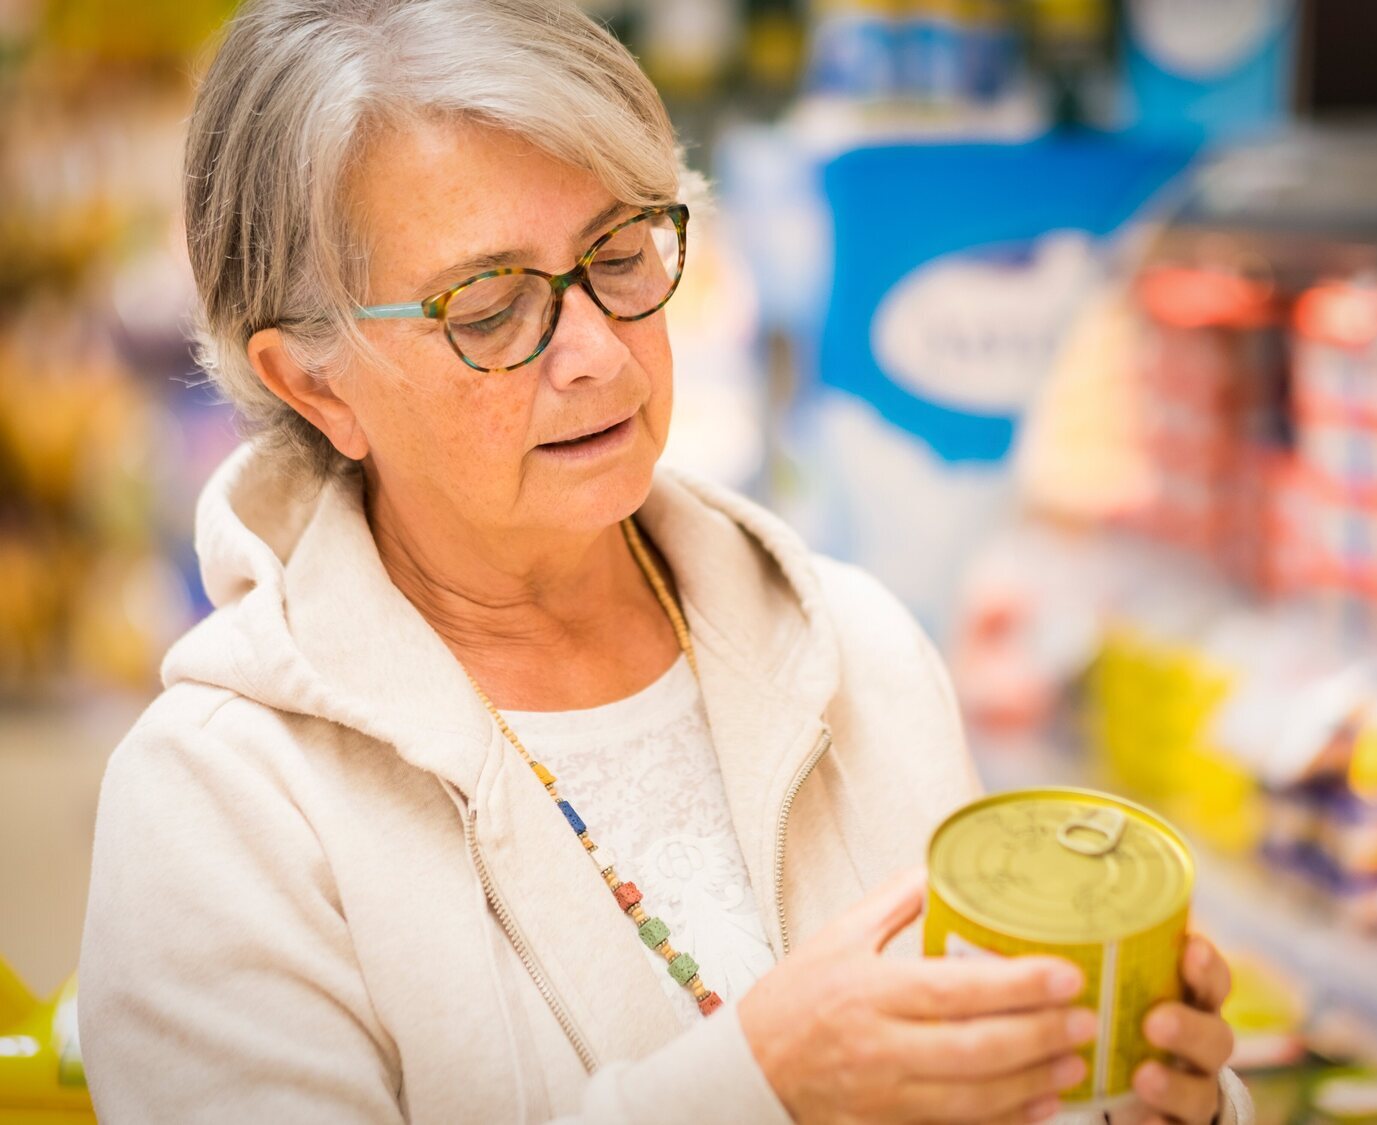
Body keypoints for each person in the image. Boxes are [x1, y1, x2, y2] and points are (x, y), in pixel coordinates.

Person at [78, 2, 1248, 1122]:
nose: (594, 351)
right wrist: (765, 1086)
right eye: (486, 307)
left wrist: (1138, 1102)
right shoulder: (217, 805)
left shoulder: (856, 646)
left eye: (621, 252)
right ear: (314, 383)